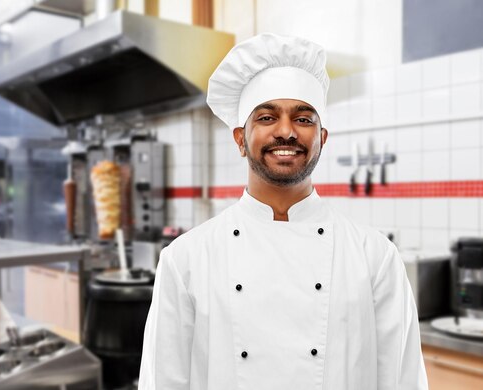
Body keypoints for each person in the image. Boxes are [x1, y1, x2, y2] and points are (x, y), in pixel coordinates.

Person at [138, 33, 428, 389]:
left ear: (322, 138)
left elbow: (403, 381)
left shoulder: (375, 258)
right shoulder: (185, 261)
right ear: (241, 139)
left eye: (303, 119)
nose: (286, 131)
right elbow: (163, 381)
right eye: (267, 117)